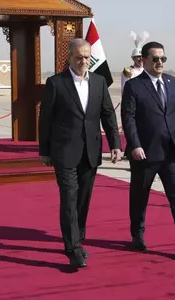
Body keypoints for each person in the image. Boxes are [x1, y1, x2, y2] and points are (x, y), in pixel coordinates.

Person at [38, 38, 123, 269]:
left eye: (87, 57)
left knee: (83, 200)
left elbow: (108, 115)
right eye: (79, 57)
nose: (84, 61)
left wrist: (115, 144)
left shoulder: (99, 81)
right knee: (69, 199)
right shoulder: (56, 83)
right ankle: (73, 249)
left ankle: (78, 238)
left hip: (91, 151)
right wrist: (44, 150)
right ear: (69, 57)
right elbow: (45, 119)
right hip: (64, 152)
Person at [121, 41, 175, 255]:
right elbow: (128, 118)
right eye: (156, 58)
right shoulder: (134, 85)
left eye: (163, 58)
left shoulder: (170, 82)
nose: (160, 62)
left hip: (169, 152)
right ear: (145, 59)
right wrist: (135, 145)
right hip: (144, 152)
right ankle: (137, 235)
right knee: (140, 197)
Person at [120, 31, 149, 96]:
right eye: (138, 57)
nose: (141, 59)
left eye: (142, 57)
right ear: (133, 58)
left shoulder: (148, 71)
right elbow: (125, 91)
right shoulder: (128, 72)